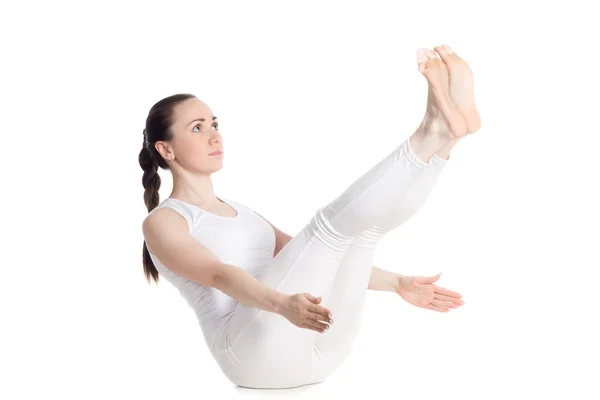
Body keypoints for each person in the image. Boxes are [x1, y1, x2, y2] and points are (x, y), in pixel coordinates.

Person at [139, 44, 480, 389]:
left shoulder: (243, 213)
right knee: (329, 229)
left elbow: (313, 258)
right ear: (166, 150)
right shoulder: (164, 221)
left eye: (214, 123)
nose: (215, 134)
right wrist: (282, 304)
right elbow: (219, 274)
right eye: (197, 128)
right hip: (250, 357)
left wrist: (397, 283)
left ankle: (443, 144)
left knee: (360, 235)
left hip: (315, 348)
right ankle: (431, 132)